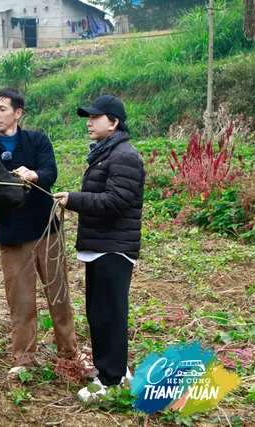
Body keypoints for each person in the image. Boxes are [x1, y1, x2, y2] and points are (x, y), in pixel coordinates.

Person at [53, 95, 145, 402]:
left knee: (108, 314)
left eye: (96, 117)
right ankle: (118, 369)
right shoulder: (107, 153)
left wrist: (74, 199)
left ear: (114, 122)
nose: (89, 122)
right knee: (103, 312)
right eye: (88, 117)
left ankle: (109, 381)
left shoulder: (123, 156)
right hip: (102, 246)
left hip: (113, 248)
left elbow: (115, 202)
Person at [0, 87, 79, 376]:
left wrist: (34, 174)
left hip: (46, 232)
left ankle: (69, 353)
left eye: (2, 109)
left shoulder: (37, 140)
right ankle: (23, 360)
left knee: (58, 294)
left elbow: (50, 172)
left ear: (18, 113)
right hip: (13, 236)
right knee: (21, 300)